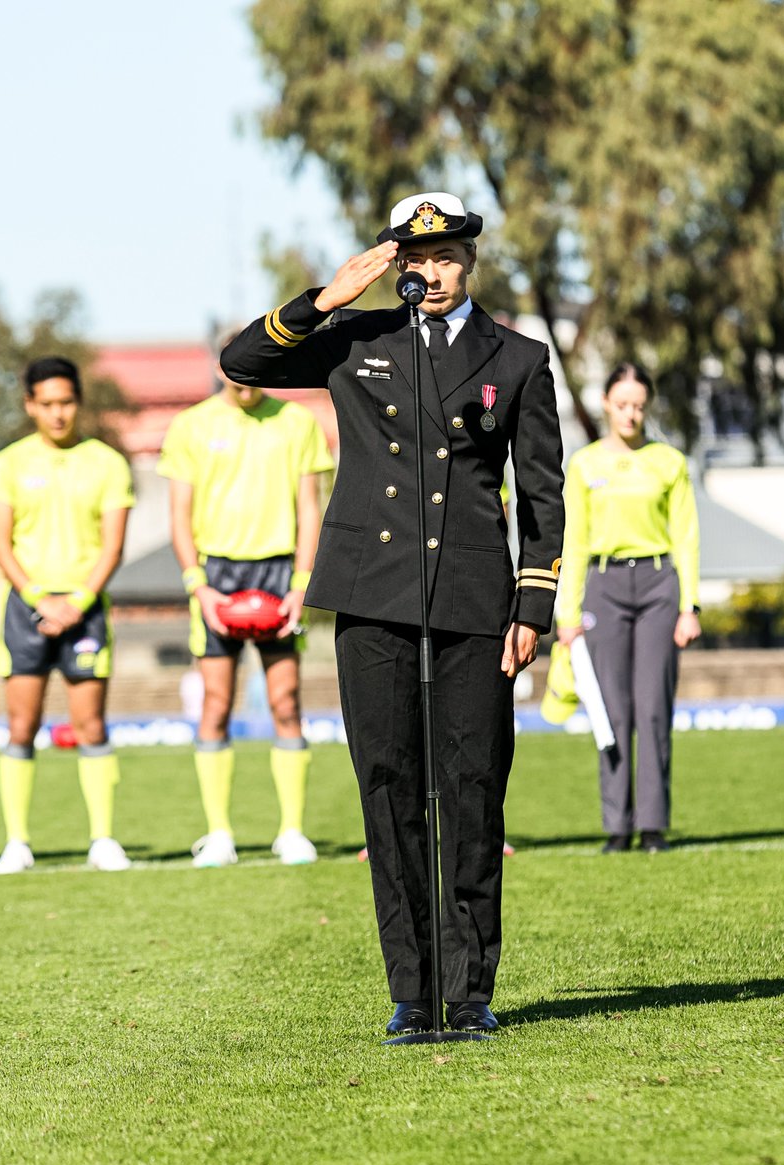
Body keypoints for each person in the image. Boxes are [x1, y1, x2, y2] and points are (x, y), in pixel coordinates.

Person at [220, 191, 565, 1036]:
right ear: (398, 268)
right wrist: (326, 301)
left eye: (447, 259)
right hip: (373, 593)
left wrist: (534, 602)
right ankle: (413, 993)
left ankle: (471, 992)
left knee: (474, 790)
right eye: (416, 261)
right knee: (389, 789)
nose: (432, 273)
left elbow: (543, 494)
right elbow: (244, 365)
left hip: (476, 602)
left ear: (470, 264)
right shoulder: (357, 341)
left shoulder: (516, 358)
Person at [158, 361, 334, 867]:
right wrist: (199, 587)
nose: (245, 381)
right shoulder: (191, 425)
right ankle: (219, 835)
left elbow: (309, 511)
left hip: (280, 573)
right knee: (215, 703)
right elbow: (178, 515)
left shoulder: (298, 423)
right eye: (235, 372)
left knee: (286, 701)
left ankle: (293, 832)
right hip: (217, 575)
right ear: (220, 369)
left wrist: (302, 584)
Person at [0, 356, 134, 874]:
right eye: (46, 404)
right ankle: (17, 843)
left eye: (66, 402)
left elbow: (112, 547)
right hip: (26, 609)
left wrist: (77, 604)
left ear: (78, 403)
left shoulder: (107, 463)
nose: (58, 413)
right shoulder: (6, 464)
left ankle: (104, 840)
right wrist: (39, 599)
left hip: (85, 611)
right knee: (21, 725)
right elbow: (0, 543)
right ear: (29, 406)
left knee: (91, 725)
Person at [556, 363, 701, 854]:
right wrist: (566, 614)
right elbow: (573, 539)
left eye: (639, 404)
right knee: (611, 709)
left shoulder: (669, 462)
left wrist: (689, 606)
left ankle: (654, 826)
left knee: (653, 709)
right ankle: (618, 826)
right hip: (603, 587)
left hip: (660, 586)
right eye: (622, 404)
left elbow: (686, 537)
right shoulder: (584, 465)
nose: (631, 413)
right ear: (605, 404)